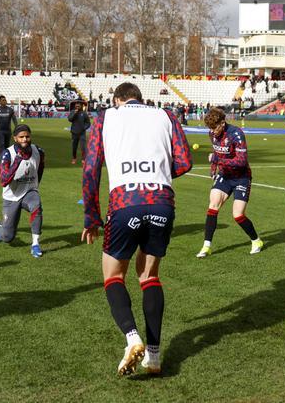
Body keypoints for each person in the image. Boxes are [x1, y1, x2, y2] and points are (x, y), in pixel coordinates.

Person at [81, 82, 192, 376]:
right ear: (141, 99)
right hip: (161, 201)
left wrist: (91, 216)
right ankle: (154, 357)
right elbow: (184, 162)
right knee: (149, 276)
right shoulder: (166, 115)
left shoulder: (106, 117)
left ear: (118, 99)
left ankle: (132, 338)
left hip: (125, 200)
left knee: (113, 275)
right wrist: (157, 175)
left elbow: (91, 166)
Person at [196, 107, 262, 258]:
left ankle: (256, 240)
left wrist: (216, 160)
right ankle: (207, 246)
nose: (212, 131)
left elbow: (241, 161)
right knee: (213, 205)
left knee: (238, 215)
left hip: (241, 177)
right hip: (225, 175)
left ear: (222, 122)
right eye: (210, 128)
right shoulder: (212, 134)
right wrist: (213, 169)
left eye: (215, 127)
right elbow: (216, 153)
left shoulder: (236, 133)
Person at [0, 124, 46, 257]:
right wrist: (18, 161)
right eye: (21, 137)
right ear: (15, 138)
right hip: (11, 197)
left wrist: (35, 185)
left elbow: (41, 168)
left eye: (27, 136)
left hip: (29, 192)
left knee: (37, 206)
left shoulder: (38, 151)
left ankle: (35, 244)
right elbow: (3, 181)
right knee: (7, 237)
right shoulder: (7, 154)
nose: (25, 139)